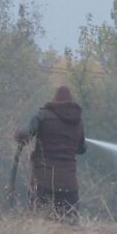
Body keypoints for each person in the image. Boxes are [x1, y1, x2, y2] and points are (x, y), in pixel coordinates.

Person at [15, 86, 86, 221]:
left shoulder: (42, 115)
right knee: (70, 225)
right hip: (69, 184)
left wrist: (18, 135)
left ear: (55, 100)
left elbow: (26, 134)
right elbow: (82, 149)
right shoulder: (78, 122)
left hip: (43, 180)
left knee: (38, 222)